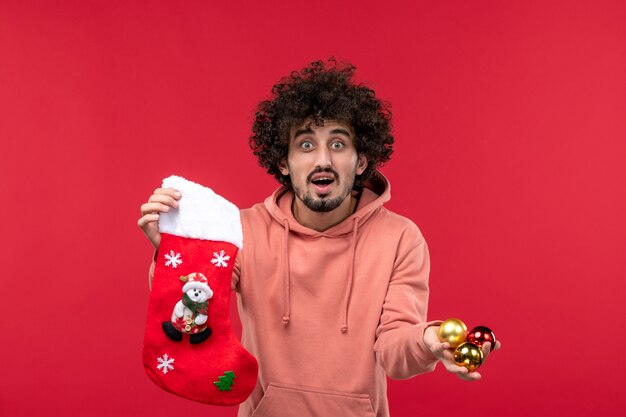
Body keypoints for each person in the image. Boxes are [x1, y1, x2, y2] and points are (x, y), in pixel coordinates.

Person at [138, 58, 500, 417]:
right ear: (284, 161)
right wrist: (176, 252)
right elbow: (199, 305)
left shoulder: (400, 238)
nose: (322, 160)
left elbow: (395, 354)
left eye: (339, 144)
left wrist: (427, 341)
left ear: (361, 162)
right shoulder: (244, 229)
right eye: (306, 145)